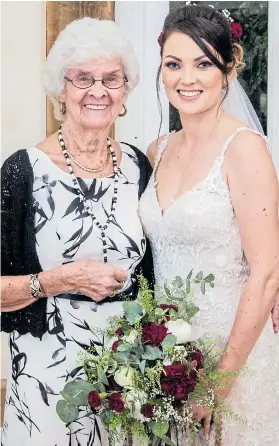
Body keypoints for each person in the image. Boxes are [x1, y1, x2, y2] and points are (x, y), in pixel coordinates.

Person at [1, 18, 153, 446]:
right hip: (46, 369)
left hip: (129, 370)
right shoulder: (22, 171)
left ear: (125, 91)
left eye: (111, 78)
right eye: (83, 78)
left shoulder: (140, 167)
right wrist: (59, 280)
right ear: (61, 91)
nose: (98, 90)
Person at [139, 4, 279, 444]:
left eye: (203, 64)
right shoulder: (156, 150)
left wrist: (217, 384)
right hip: (167, 361)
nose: (187, 78)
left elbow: (267, 271)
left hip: (233, 357)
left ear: (229, 67)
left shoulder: (245, 149)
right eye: (174, 64)